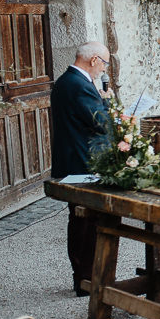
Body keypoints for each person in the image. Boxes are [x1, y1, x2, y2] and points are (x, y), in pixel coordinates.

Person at [50, 41, 113, 296]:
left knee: (79, 220)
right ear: (94, 60)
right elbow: (102, 125)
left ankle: (84, 276)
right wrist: (105, 103)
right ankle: (86, 278)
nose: (104, 70)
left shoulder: (63, 82)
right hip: (83, 162)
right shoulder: (80, 86)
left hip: (70, 160)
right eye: (105, 64)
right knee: (86, 222)